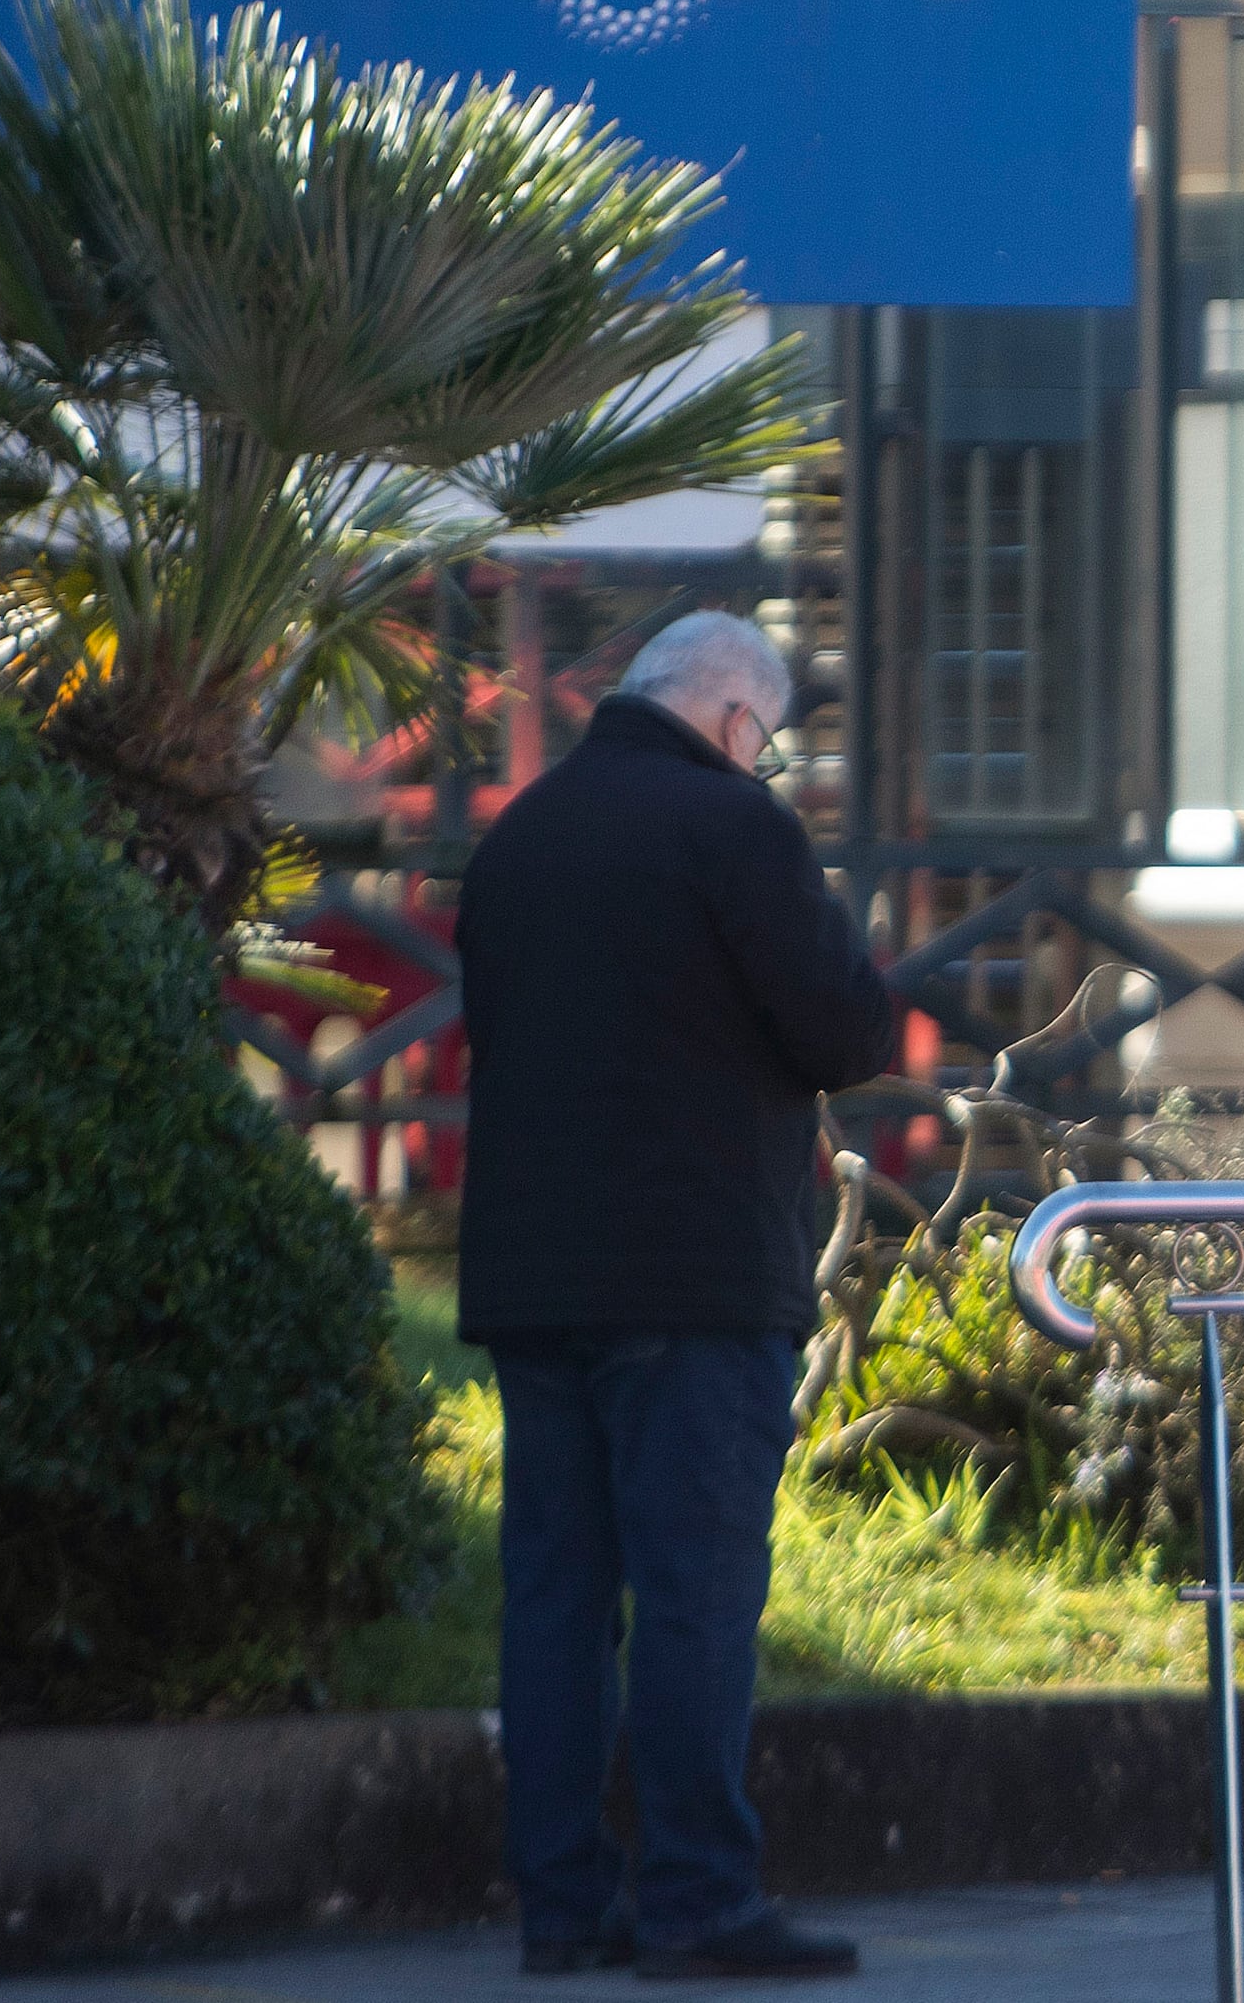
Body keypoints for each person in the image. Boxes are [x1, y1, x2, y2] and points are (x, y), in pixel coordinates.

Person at [460, 609, 905, 1979]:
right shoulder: (735, 829)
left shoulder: (520, 835)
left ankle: (562, 1904)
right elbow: (847, 1027)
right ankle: (700, 1897)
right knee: (697, 1594)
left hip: (534, 1278)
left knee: (554, 1597)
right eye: (762, 740)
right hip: (697, 1278)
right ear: (730, 721)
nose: (760, 760)